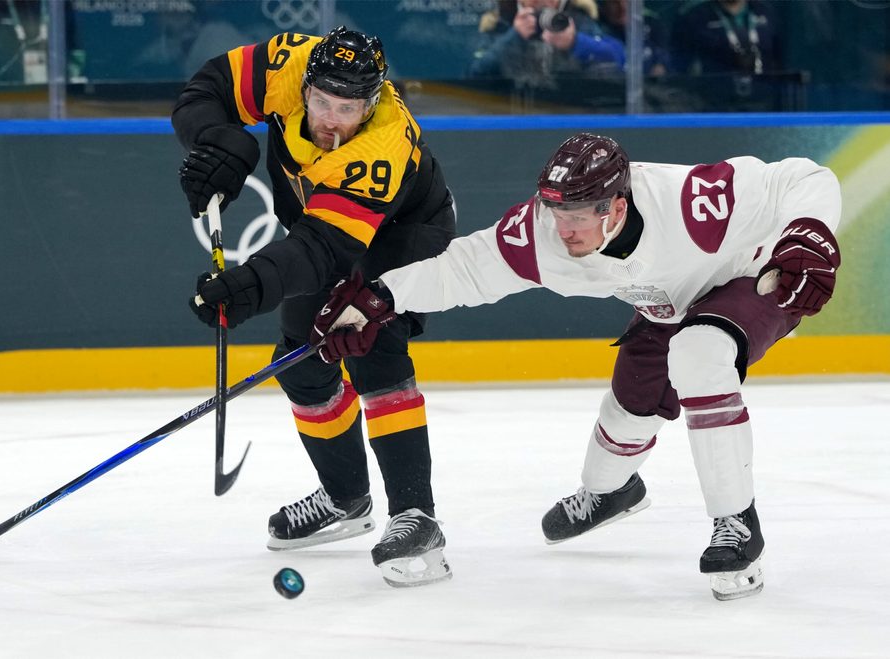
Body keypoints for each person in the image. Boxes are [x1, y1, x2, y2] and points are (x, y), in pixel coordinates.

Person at [310, 133, 842, 600]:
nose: (563, 229)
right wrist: (381, 297)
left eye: (578, 215)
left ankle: (736, 523)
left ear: (615, 206)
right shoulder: (544, 231)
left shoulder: (690, 204)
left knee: (700, 354)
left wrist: (809, 236)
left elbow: (804, 178)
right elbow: (466, 268)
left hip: (763, 274)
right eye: (557, 212)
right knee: (631, 401)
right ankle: (611, 490)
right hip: (668, 300)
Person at [171, 26, 456, 588]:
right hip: (319, 225)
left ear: (371, 102)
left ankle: (416, 517)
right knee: (303, 362)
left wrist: (249, 287)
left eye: (347, 108)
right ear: (306, 85)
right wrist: (215, 139)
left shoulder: (383, 148)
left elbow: (324, 252)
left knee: (372, 346)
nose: (330, 118)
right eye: (322, 101)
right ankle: (347, 498)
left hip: (405, 235)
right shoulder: (287, 63)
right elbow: (207, 87)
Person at [470, 0, 625, 85]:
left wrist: (575, 41)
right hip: (508, 110)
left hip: (567, 108)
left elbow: (617, 57)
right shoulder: (499, 22)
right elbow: (476, 73)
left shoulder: (578, 18)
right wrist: (514, 36)